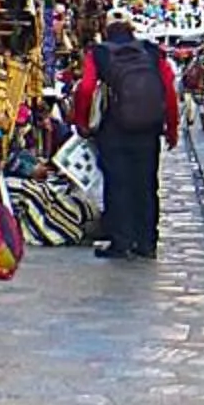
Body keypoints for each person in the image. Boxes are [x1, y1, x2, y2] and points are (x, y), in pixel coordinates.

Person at [74, 16, 177, 260]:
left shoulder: (99, 54)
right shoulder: (151, 52)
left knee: (117, 182)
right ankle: (147, 241)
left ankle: (121, 241)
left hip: (114, 128)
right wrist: (171, 127)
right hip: (148, 129)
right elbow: (169, 90)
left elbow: (87, 88)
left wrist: (82, 122)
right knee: (147, 184)